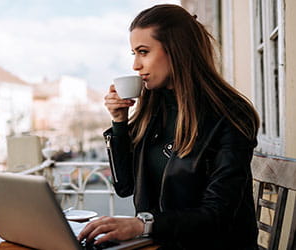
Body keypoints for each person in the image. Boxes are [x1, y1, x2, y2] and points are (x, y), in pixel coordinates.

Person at [77, 4, 259, 250]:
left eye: (143, 52)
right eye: (134, 54)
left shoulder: (230, 114)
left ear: (176, 51)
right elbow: (125, 186)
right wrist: (119, 122)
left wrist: (142, 225)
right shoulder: (154, 110)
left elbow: (219, 215)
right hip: (158, 244)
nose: (135, 65)